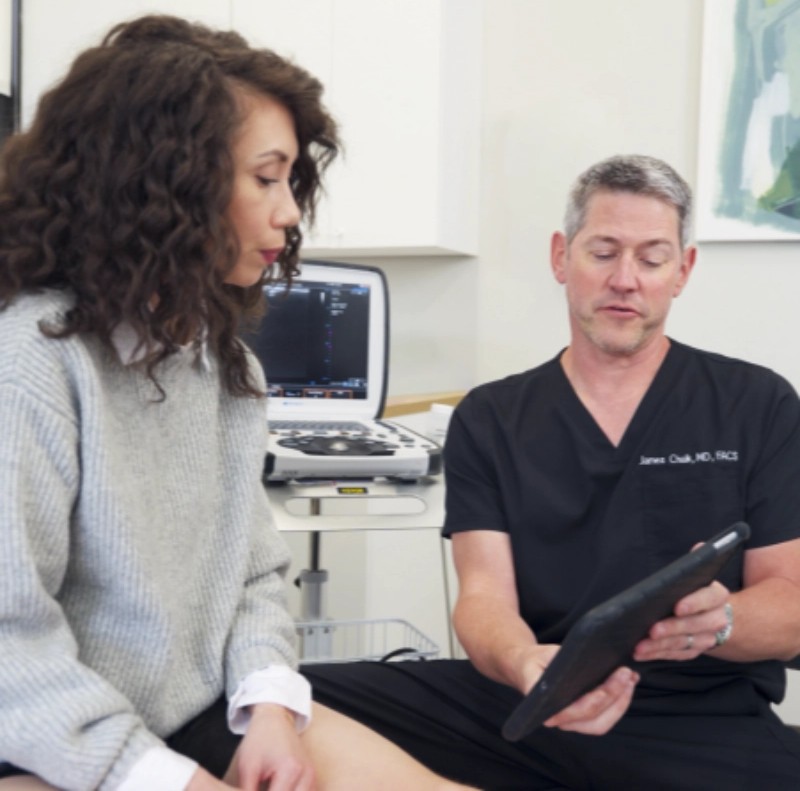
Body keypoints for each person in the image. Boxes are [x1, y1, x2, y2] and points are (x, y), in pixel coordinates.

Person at [0, 14, 476, 791]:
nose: (290, 213)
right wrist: (163, 776)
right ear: (167, 182)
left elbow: (253, 575)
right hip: (51, 742)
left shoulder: (223, 365)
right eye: (266, 177)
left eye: (291, 181)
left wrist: (270, 709)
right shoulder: (33, 364)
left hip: (195, 714)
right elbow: (7, 648)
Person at [303, 154, 800, 789]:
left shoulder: (754, 403)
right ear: (561, 257)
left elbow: (788, 607)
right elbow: (483, 598)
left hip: (701, 717)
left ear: (683, 270)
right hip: (535, 701)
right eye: (603, 252)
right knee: (278, 701)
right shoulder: (491, 417)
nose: (626, 279)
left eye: (651, 258)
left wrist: (721, 620)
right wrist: (524, 664)